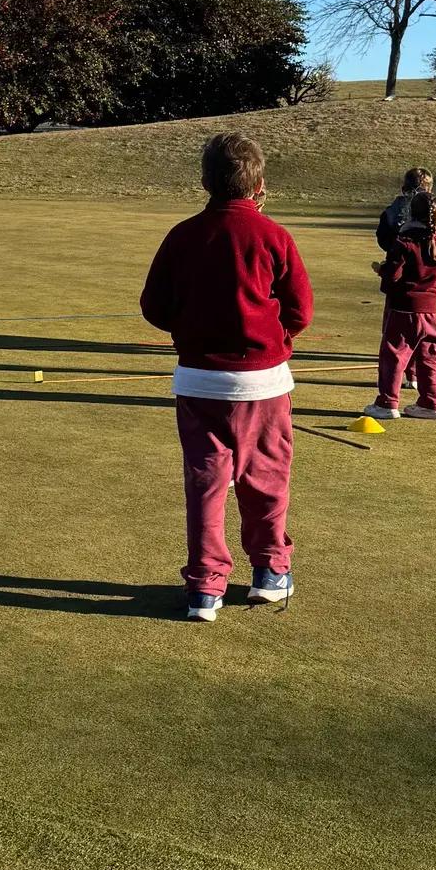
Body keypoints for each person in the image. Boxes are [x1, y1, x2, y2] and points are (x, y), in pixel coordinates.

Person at [141, 132, 314, 622]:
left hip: (199, 381)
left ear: (204, 181)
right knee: (267, 479)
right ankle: (270, 572)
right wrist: (273, 335)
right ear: (259, 184)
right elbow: (301, 309)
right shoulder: (274, 236)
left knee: (206, 484)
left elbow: (154, 306)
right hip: (264, 381)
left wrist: (192, 328)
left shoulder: (183, 234)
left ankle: (205, 590)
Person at [365, 190, 436, 420]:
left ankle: (387, 402)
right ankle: (431, 402)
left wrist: (381, 270)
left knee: (393, 354)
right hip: (431, 310)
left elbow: (393, 275)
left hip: (404, 308)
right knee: (430, 357)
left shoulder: (405, 242)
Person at [375, 166, 434, 251]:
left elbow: (383, 241)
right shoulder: (435, 213)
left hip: (398, 260)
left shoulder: (389, 214)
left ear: (403, 190)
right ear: (430, 192)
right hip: (428, 261)